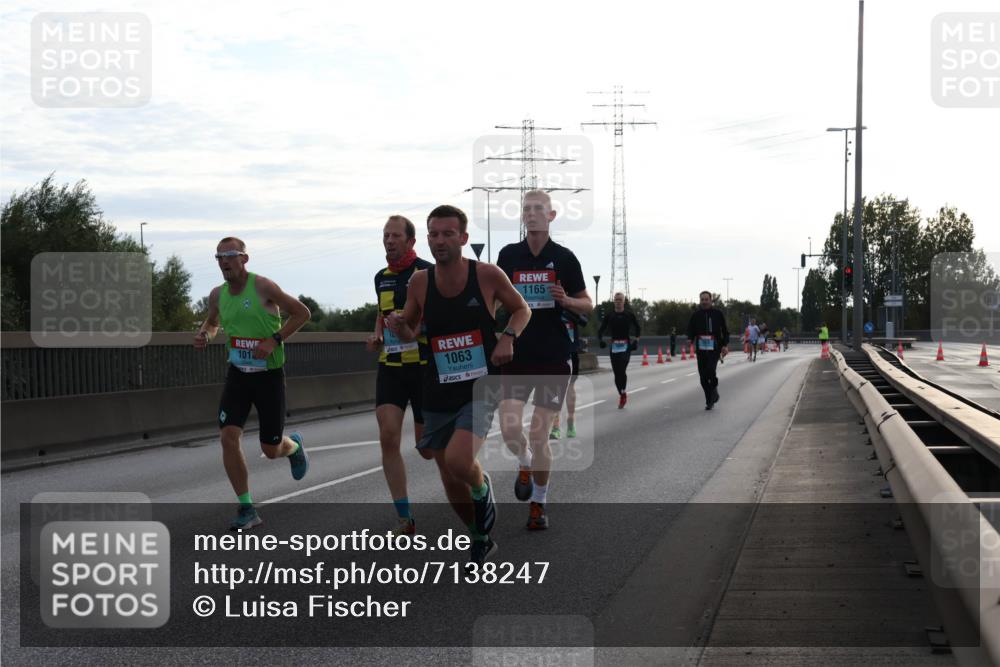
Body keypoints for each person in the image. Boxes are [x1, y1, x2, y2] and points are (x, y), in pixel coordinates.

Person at [386, 204, 530, 565]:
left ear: (463, 238)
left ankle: (482, 489)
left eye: (448, 234)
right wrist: (397, 325)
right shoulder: (419, 282)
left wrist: (508, 338)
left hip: (480, 385)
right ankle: (480, 536)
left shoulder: (487, 275)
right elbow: (411, 328)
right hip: (437, 385)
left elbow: (521, 309)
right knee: (448, 475)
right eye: (434, 234)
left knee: (459, 459)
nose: (440, 240)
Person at [194, 237, 312, 531]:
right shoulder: (217, 295)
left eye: (230, 255)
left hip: (268, 376)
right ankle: (246, 508)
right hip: (238, 373)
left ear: (244, 259)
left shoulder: (263, 287)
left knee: (270, 449)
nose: (224, 261)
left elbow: (302, 313)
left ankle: (293, 448)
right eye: (219, 257)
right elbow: (212, 322)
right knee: (228, 436)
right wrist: (205, 335)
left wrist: (274, 340)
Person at [496, 190, 592, 531]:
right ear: (522, 217)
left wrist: (567, 300)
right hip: (517, 355)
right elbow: (494, 298)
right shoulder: (508, 255)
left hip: (553, 357)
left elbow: (588, 303)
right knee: (509, 428)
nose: (532, 214)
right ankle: (524, 463)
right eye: (527, 209)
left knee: (538, 434)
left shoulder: (564, 258)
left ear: (551, 216)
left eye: (539, 209)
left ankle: (538, 503)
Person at [367, 215, 434, 536]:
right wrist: (377, 334)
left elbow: (434, 319)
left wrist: (412, 331)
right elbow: (382, 316)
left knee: (426, 448)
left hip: (422, 367)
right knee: (389, 435)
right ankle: (404, 517)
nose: (389, 241)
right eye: (385, 235)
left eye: (395, 236)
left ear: (411, 241)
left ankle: (473, 478)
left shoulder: (426, 273)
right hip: (391, 368)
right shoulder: (381, 277)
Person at [687, 291, 730, 410]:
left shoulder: (717, 314)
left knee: (710, 370)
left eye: (706, 299)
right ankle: (709, 400)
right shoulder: (696, 315)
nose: (704, 302)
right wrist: (690, 339)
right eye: (702, 299)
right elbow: (690, 329)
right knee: (702, 377)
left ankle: (714, 388)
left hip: (714, 348)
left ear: (711, 301)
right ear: (700, 301)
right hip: (701, 349)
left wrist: (725, 345)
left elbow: (725, 331)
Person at [597, 293, 641, 409]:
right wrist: (600, 340)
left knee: (622, 369)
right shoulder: (610, 315)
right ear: (614, 301)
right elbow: (600, 330)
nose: (618, 302)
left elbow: (638, 328)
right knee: (617, 373)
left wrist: (636, 341)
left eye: (620, 300)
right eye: (616, 300)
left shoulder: (629, 315)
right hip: (614, 346)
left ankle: (623, 391)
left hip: (626, 346)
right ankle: (622, 393)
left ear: (624, 301)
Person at [550, 310, 587, 440]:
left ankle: (571, 422)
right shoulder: (549, 301)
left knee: (570, 386)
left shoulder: (572, 302)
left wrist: (568, 308)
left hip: (571, 352)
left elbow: (584, 321)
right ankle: (555, 426)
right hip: (553, 352)